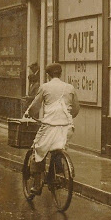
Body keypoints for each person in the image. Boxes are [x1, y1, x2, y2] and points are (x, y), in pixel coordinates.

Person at [25, 63, 79, 196]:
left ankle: (37, 184)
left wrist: (29, 114)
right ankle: (56, 173)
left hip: (49, 126)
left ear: (48, 75)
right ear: (60, 74)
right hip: (67, 127)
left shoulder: (45, 87)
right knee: (57, 148)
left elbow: (35, 107)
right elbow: (76, 109)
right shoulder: (70, 88)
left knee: (38, 149)